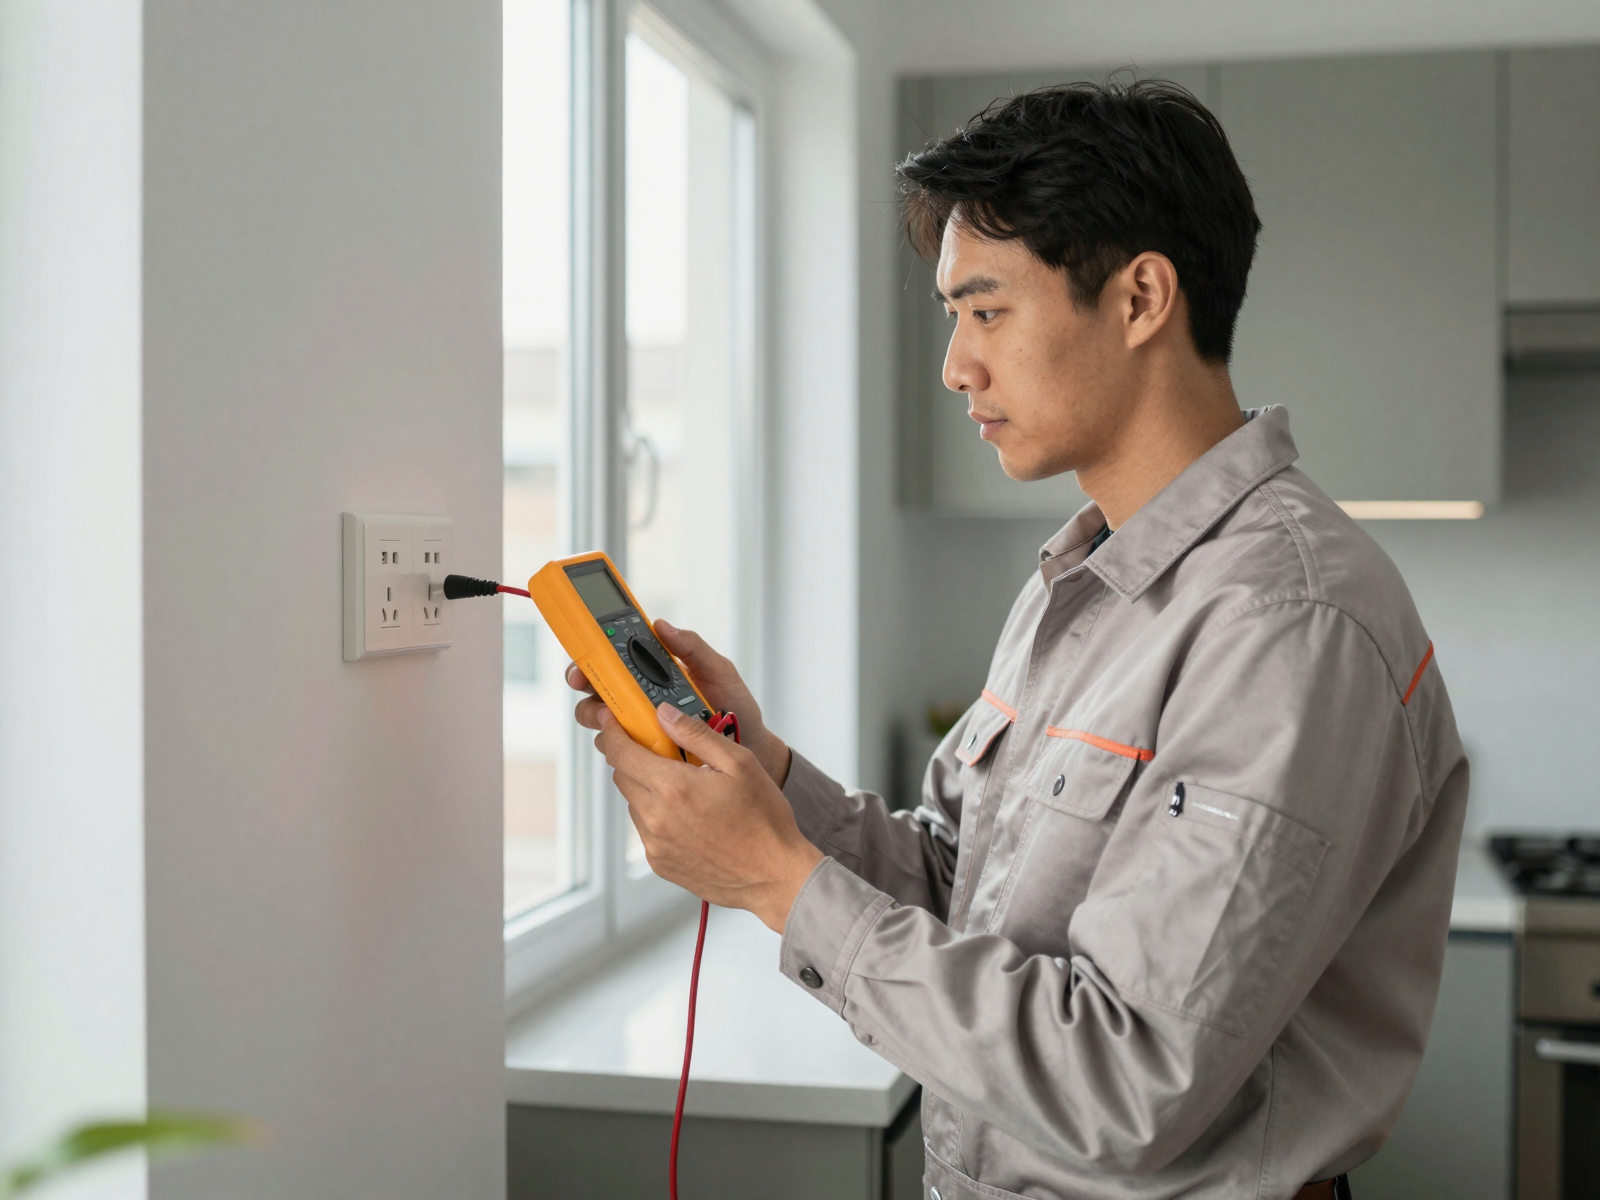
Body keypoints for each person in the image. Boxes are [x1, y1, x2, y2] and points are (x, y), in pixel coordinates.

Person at [567, 78, 1467, 1200]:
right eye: (953, 316)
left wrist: (776, 880)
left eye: (985, 310)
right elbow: (975, 891)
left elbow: (1127, 1082)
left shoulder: (1286, 623)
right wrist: (771, 781)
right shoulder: (1076, 580)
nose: (955, 365)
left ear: (1140, 298)